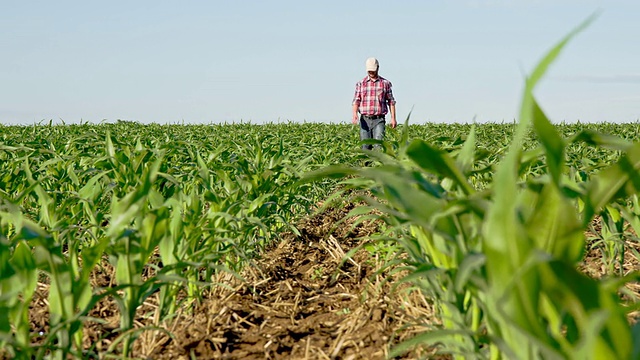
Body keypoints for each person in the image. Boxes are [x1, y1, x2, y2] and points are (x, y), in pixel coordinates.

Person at [351, 57, 397, 150]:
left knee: (378, 146)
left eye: (373, 70)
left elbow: (391, 102)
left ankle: (378, 164)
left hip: (379, 119)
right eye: (369, 71)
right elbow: (356, 101)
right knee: (365, 147)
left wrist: (393, 118)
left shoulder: (385, 83)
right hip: (365, 120)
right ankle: (366, 165)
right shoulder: (361, 83)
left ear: (378, 68)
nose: (371, 73)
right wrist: (354, 114)